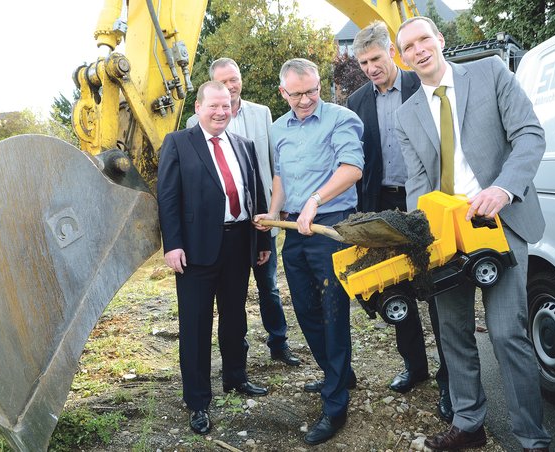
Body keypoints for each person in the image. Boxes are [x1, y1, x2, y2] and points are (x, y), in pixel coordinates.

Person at [394, 16, 551, 452]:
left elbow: (528, 134)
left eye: (424, 39)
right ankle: (469, 424)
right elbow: (419, 183)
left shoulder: (490, 73)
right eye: (408, 47)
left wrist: (503, 188)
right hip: (446, 234)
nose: (419, 49)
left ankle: (531, 438)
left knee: (507, 334)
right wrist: (420, 240)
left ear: (440, 40)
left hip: (499, 220)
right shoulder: (406, 115)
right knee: (454, 333)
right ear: (402, 57)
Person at [347, 20, 452, 423]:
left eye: (375, 58)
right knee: (398, 291)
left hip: (425, 202)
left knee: (439, 289)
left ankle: (449, 377)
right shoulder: (356, 101)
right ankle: (415, 366)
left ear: (392, 51)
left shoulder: (419, 84)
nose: (370, 67)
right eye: (362, 62)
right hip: (383, 205)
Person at [255, 58, 364, 446]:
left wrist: (316, 201)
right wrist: (272, 213)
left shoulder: (340, 118)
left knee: (333, 312)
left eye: (312, 91)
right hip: (294, 231)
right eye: (297, 93)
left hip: (330, 227)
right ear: (283, 92)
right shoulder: (278, 128)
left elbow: (352, 168)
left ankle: (335, 404)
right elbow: (282, 176)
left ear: (320, 85)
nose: (306, 99)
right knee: (304, 308)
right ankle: (339, 373)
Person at [157, 81, 271, 436]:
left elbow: (257, 193)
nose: (222, 112)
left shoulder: (244, 145)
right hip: (195, 250)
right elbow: (168, 198)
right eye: (214, 106)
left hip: (239, 244)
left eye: (227, 106)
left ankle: (236, 378)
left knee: (236, 317)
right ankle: (197, 401)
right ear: (198, 106)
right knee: (195, 326)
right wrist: (172, 245)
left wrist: (263, 238)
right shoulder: (178, 143)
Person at [186, 58, 300, 367]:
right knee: (231, 298)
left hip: (261, 216)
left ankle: (279, 343)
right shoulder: (195, 125)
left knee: (269, 287)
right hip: (220, 227)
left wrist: (278, 207)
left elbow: (274, 164)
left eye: (234, 79)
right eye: (223, 82)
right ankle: (238, 355)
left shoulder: (262, 114)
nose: (231, 86)